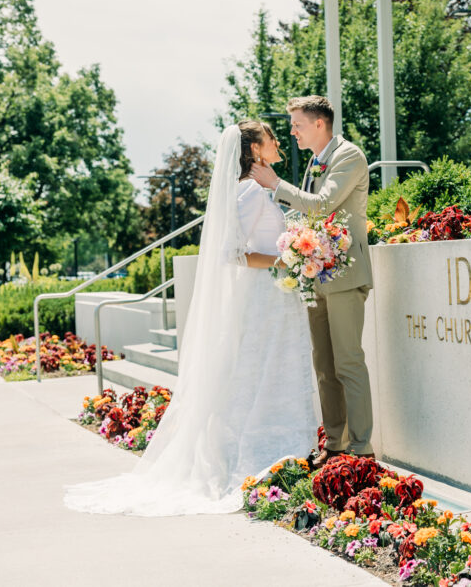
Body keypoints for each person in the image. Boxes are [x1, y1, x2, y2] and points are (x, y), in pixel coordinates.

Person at [64, 122, 318, 515]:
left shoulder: (260, 187)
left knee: (273, 371)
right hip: (265, 294)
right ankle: (263, 453)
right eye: (271, 137)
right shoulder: (250, 189)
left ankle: (292, 448)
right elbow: (230, 252)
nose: (278, 142)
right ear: (253, 149)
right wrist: (286, 259)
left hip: (275, 294)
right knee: (259, 373)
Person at [249, 95, 374, 466]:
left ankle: (362, 448)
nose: (292, 131)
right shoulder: (314, 162)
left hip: (346, 274)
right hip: (315, 274)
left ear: (320, 123)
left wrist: (276, 184)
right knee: (323, 364)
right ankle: (335, 444)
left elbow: (322, 204)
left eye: (298, 125)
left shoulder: (349, 156)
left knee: (348, 362)